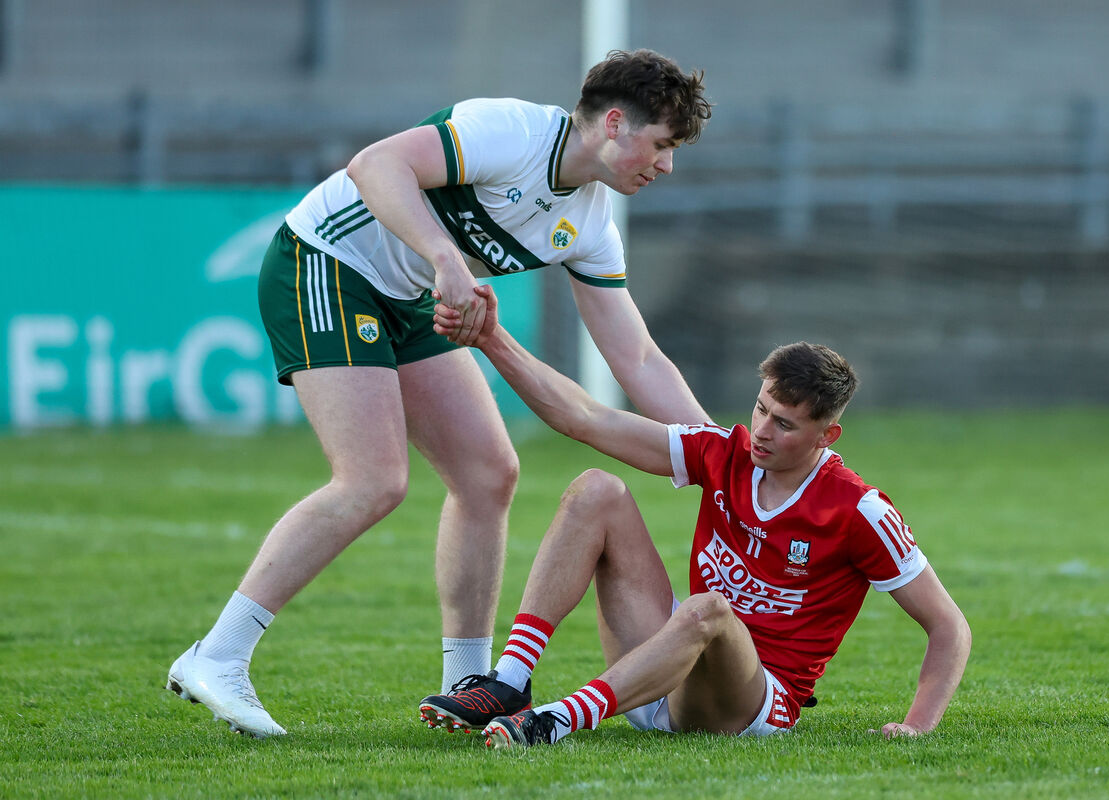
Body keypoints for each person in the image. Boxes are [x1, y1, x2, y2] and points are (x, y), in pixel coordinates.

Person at [165, 49, 713, 738]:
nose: (665, 166)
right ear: (613, 123)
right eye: (662, 146)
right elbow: (375, 166)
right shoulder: (511, 132)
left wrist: (724, 450)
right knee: (372, 480)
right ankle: (217, 655)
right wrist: (446, 260)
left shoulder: (592, 224)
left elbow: (635, 355)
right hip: (325, 261)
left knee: (489, 473)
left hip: (410, 296)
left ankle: (469, 684)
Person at [417, 285, 971, 747]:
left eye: (784, 423)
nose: (760, 430)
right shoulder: (724, 453)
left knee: (710, 609)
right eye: (760, 409)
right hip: (665, 674)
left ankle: (556, 721)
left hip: (750, 705)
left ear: (828, 435)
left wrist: (917, 726)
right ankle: (511, 680)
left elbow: (949, 626)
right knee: (596, 491)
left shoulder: (857, 509)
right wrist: (491, 338)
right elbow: (584, 417)